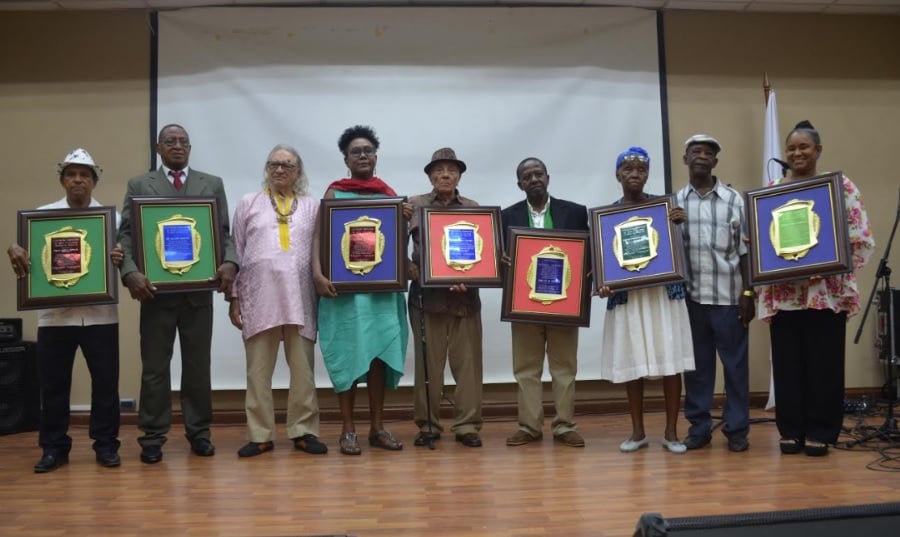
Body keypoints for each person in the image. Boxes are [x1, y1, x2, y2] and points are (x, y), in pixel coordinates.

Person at [117, 124, 239, 464]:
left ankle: (199, 432)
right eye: (170, 141)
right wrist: (130, 272)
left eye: (183, 142)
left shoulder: (210, 183)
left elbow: (224, 233)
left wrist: (230, 263)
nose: (177, 146)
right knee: (155, 369)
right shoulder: (140, 184)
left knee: (198, 368)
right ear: (158, 148)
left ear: (190, 148)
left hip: (198, 294)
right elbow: (125, 235)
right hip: (155, 294)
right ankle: (152, 437)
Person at [757, 120, 874, 457]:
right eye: (791, 148)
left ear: (818, 151)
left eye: (804, 147)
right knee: (788, 365)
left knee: (824, 364)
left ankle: (821, 431)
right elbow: (765, 237)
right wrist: (759, 245)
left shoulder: (840, 187)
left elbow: (859, 237)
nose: (796, 153)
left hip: (826, 293)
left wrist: (822, 266)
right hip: (785, 295)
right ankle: (791, 430)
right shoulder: (772, 190)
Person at [8, 148, 122, 472]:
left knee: (105, 384)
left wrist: (120, 254)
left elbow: (128, 258)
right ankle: (53, 448)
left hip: (100, 316)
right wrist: (15, 247)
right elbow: (29, 258)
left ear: (94, 181)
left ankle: (106, 445)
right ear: (62, 181)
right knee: (53, 386)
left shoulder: (112, 220)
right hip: (55, 318)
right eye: (71, 174)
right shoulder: (41, 218)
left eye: (84, 174)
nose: (78, 180)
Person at [312, 125, 412, 455]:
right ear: (346, 159)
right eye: (356, 151)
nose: (363, 155)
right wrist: (317, 275)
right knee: (349, 355)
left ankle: (377, 427)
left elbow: (392, 246)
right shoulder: (334, 194)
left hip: (381, 294)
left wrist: (404, 221)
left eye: (368, 150)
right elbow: (318, 238)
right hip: (344, 296)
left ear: (376, 157)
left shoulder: (389, 196)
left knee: (379, 358)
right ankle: (348, 429)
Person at [228, 145, 327, 458]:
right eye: (274, 164)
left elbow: (321, 253)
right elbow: (237, 252)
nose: (280, 170)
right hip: (259, 297)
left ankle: (303, 431)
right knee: (258, 371)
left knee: (303, 370)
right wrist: (234, 298)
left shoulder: (312, 206)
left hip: (301, 298)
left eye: (287, 165)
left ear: (298, 172)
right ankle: (260, 434)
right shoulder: (248, 203)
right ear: (267, 169)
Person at [598, 147, 694, 454]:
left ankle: (671, 432)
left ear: (648, 174)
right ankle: (637, 431)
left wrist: (679, 223)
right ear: (618, 175)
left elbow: (678, 249)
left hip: (663, 295)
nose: (635, 174)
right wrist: (603, 283)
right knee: (632, 361)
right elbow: (603, 263)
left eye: (641, 169)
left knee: (671, 361)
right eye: (628, 169)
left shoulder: (665, 210)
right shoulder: (606, 217)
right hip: (628, 298)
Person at [671, 134, 755, 453]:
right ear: (686, 159)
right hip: (692, 301)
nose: (702, 156)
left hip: (729, 299)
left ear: (716, 161)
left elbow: (746, 251)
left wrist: (748, 293)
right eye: (696, 151)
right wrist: (671, 226)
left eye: (709, 153)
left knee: (735, 368)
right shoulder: (674, 204)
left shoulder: (734, 201)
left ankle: (737, 429)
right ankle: (699, 428)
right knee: (697, 370)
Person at [500, 157, 589, 448]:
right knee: (526, 369)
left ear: (548, 178)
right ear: (520, 185)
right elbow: (498, 259)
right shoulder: (506, 217)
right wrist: (501, 260)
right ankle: (529, 426)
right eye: (527, 176)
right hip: (523, 305)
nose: (534, 179)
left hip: (564, 305)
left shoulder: (575, 213)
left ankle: (564, 426)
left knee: (564, 368)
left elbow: (587, 255)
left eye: (538, 174)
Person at [407, 148, 484, 448]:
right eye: (438, 170)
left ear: (459, 175)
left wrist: (474, 276)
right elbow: (391, 242)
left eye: (451, 170)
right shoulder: (414, 205)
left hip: (465, 299)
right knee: (428, 365)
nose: (445, 175)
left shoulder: (474, 208)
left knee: (468, 366)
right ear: (430, 176)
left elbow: (484, 251)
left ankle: (467, 425)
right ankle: (428, 425)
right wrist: (408, 268)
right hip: (427, 300)